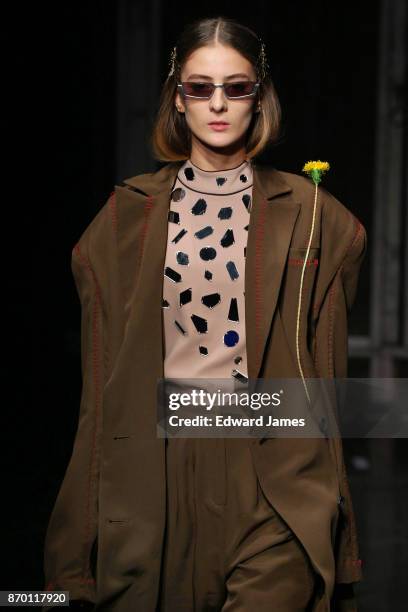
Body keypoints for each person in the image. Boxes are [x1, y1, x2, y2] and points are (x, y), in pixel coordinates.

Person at [42, 16, 367, 612]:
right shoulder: (122, 222)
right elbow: (101, 393)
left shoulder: (318, 218)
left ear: (259, 98)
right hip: (159, 471)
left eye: (236, 87)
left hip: (272, 468)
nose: (218, 103)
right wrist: (74, 552)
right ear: (178, 99)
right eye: (200, 87)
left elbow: (326, 384)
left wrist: (340, 528)